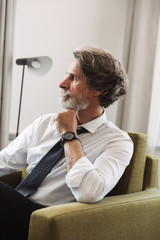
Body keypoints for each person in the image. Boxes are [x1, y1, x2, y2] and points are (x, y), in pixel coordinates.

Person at [0, 45, 133, 239]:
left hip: (51, 219)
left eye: (74, 78)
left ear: (99, 89)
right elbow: (5, 161)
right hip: (13, 207)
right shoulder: (45, 123)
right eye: (67, 76)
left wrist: (69, 135)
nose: (62, 84)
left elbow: (89, 193)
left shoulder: (118, 142)